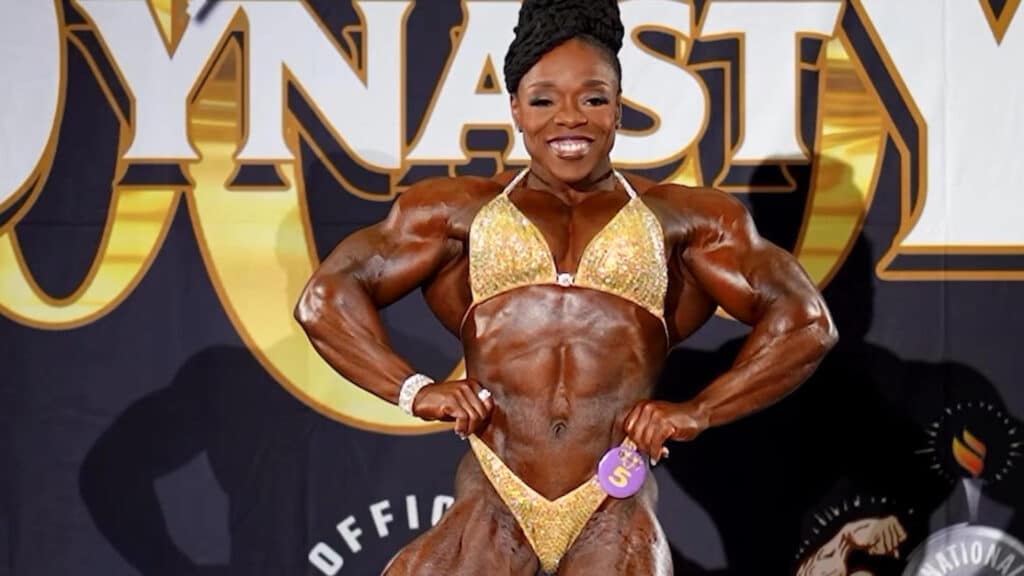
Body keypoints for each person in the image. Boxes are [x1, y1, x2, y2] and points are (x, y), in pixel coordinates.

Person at [295, 1, 837, 573]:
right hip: (495, 492)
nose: (569, 118)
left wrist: (699, 410)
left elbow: (806, 323)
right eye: (544, 101)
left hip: (611, 499)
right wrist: (414, 390)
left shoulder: (685, 219)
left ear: (619, 109)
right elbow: (324, 300)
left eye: (593, 99)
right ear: (516, 109)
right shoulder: (456, 212)